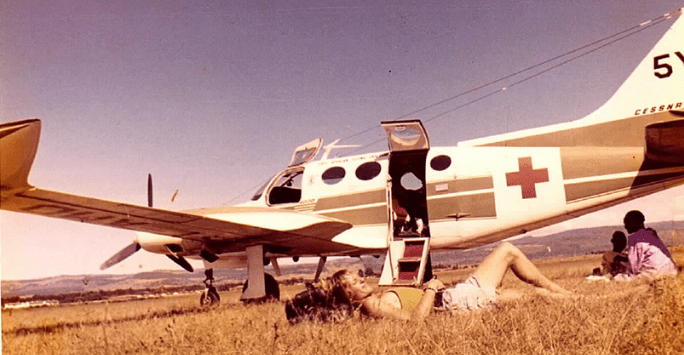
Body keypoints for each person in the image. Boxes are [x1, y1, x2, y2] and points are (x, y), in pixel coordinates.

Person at [331, 242, 573, 322]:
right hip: (453, 302)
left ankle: (565, 293)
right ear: (350, 296)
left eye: (358, 276)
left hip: (456, 294)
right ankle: (580, 301)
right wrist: (429, 289)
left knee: (507, 250)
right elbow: (416, 322)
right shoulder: (376, 307)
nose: (361, 279)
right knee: (533, 297)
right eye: (354, 282)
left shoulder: (375, 301)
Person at [614, 210, 678, 280]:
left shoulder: (636, 239)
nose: (625, 227)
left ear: (636, 223)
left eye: (627, 223)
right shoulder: (651, 234)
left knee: (617, 278)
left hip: (654, 274)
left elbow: (634, 268)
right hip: (671, 271)